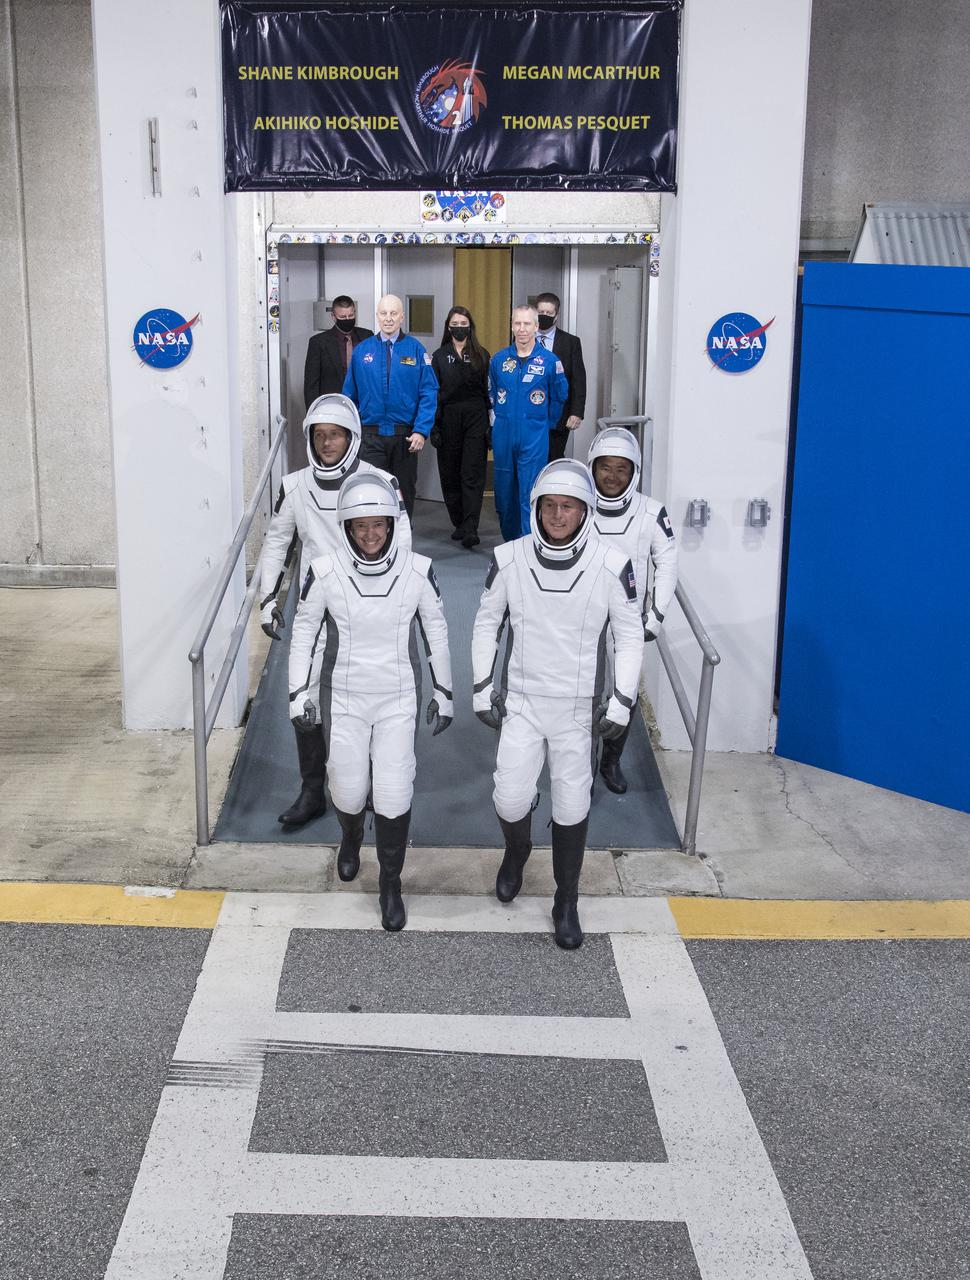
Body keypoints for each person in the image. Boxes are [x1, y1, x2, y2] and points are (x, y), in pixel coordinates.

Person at [471, 459, 643, 950]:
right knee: (508, 796)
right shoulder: (509, 559)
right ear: (536, 509)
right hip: (522, 702)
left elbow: (630, 639)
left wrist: (622, 701)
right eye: (550, 506)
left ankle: (566, 898)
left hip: (577, 710)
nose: (559, 515)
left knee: (572, 805)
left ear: (585, 510)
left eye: (569, 506)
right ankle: (517, 850)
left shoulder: (612, 565)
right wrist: (483, 687)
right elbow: (486, 624)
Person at [288, 471, 453, 932]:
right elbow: (303, 634)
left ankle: (390, 882)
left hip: (398, 698)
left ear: (392, 523)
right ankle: (350, 836)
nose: (371, 535)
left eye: (378, 524)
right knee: (347, 789)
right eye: (360, 527)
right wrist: (298, 692)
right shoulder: (324, 572)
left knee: (395, 790)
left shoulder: (418, 569)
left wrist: (445, 690)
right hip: (344, 698)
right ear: (346, 529)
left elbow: (436, 632)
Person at [259, 393, 411, 830]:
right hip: (313, 607)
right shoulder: (295, 486)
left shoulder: (381, 480)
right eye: (320, 436)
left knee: (362, 692)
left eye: (336, 435)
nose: (327, 444)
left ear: (352, 437)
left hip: (368, 606)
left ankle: (359, 784)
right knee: (303, 695)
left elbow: (402, 543)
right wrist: (268, 600)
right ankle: (312, 791)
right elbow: (275, 543)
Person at [588, 426, 678, 795]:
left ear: (634, 471)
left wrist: (655, 615)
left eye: (621, 469)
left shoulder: (651, 512)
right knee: (582, 691)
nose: (612, 476)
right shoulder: (577, 505)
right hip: (580, 615)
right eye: (605, 467)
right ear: (592, 468)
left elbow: (667, 560)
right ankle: (580, 767)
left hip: (628, 620)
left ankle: (610, 760)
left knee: (620, 692)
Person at [343, 293, 438, 518]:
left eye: (393, 313)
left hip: (405, 438)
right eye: (384, 313)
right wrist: (351, 433)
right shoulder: (362, 351)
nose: (388, 318)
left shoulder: (416, 350)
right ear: (377, 316)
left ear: (402, 317)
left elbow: (429, 392)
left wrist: (421, 431)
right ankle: (374, 547)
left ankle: (402, 544)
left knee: (403, 495)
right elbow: (348, 396)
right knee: (372, 493)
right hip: (370, 438)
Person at [489, 304, 569, 541]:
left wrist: (543, 423)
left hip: (533, 437)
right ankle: (510, 542)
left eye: (527, 324)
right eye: (517, 323)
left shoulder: (549, 361)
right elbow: (493, 392)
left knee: (529, 493)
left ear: (536, 326)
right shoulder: (499, 359)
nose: (521, 329)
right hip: (504, 435)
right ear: (512, 326)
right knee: (504, 494)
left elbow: (559, 395)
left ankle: (528, 543)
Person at [430, 306, 491, 549]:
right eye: (455, 323)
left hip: (476, 418)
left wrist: (491, 427)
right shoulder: (438, 356)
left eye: (463, 323)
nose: (459, 327)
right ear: (448, 327)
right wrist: (433, 426)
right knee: (450, 473)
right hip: (448, 419)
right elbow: (432, 393)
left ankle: (471, 527)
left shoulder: (481, 355)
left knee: (472, 473)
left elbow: (490, 393)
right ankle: (459, 523)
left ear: (470, 327)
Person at [535, 291, 586, 462]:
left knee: (554, 457)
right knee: (532, 458)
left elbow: (578, 379)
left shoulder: (571, 342)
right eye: (541, 312)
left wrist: (576, 412)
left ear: (556, 316)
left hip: (559, 414)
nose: (544, 316)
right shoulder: (523, 338)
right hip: (531, 413)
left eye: (548, 313)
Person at [303, 295, 372, 408]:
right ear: (333, 317)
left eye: (351, 315)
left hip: (363, 406)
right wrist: (313, 415)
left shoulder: (367, 337)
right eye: (343, 317)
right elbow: (311, 385)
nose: (347, 319)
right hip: (331, 407)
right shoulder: (318, 343)